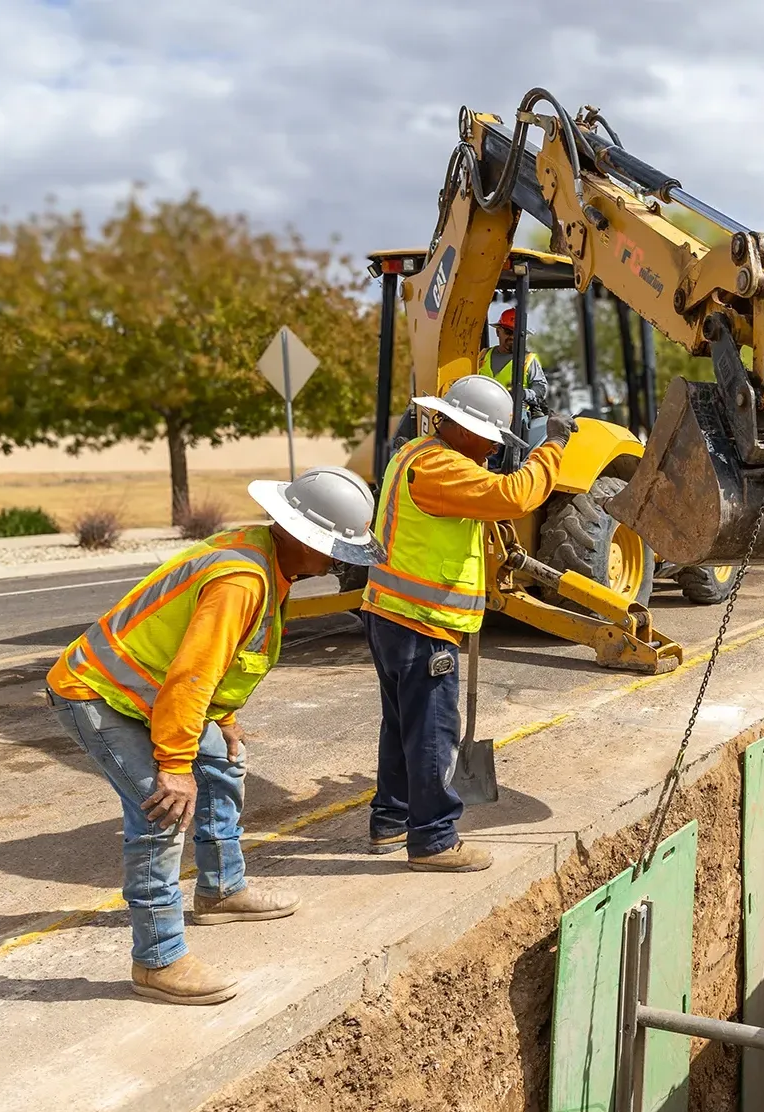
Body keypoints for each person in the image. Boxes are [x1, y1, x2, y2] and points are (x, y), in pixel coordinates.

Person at [46, 466, 384, 1004]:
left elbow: (227, 660)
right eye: (331, 549)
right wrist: (175, 766)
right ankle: (158, 960)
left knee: (224, 762)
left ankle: (222, 890)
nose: (336, 562)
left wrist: (222, 719)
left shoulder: (268, 560)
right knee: (162, 811)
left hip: (152, 695)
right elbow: (192, 675)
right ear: (301, 536)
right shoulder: (242, 580)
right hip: (100, 692)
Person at [361, 374, 575, 870]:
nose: (494, 448)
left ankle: (391, 820)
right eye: (491, 437)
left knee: (402, 725)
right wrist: (553, 447)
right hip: (421, 622)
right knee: (433, 732)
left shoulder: (414, 453)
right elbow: (516, 496)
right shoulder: (441, 467)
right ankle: (434, 840)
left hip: (392, 614)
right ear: (461, 427)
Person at [475, 307, 550, 418]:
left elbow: (540, 388)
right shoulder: (483, 355)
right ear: (498, 332)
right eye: (508, 332)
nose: (512, 337)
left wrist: (524, 394)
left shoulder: (528, 360)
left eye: (517, 334)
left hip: (514, 416)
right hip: (480, 411)